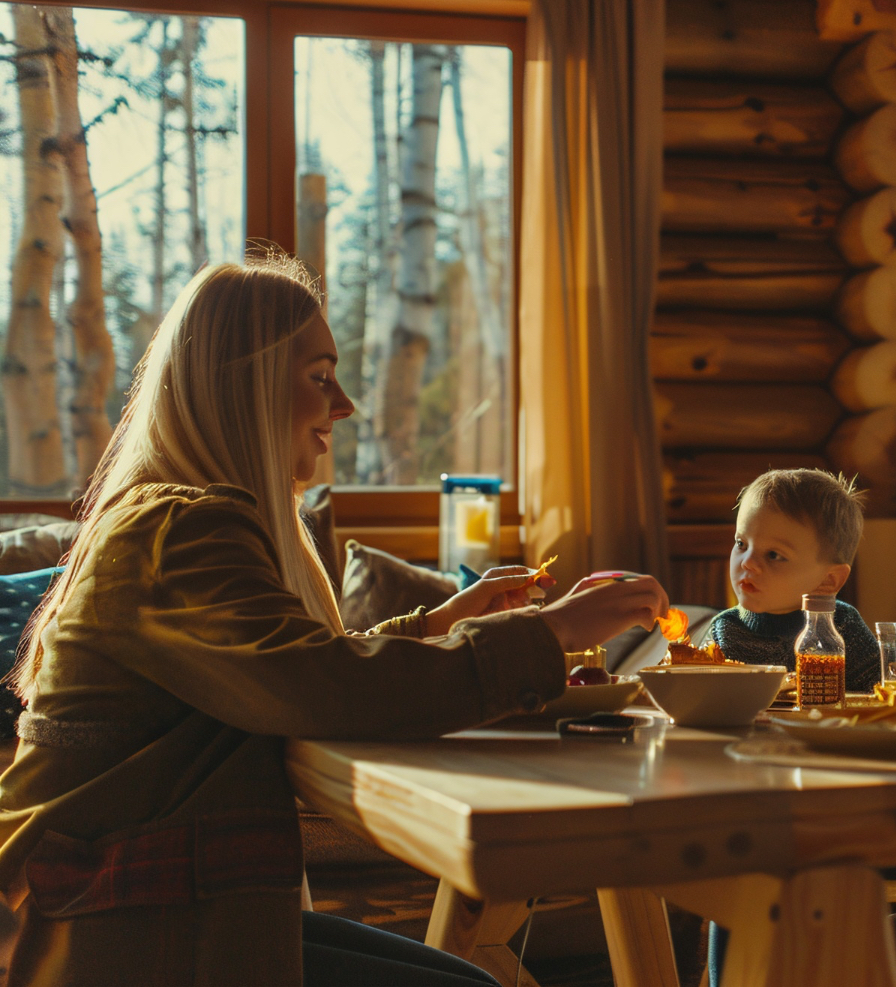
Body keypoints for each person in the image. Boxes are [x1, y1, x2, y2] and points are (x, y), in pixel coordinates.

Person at [0, 258, 670, 986]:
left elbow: (286, 664)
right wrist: (552, 633)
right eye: (320, 376)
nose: (344, 403)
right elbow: (317, 688)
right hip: (115, 931)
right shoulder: (182, 528)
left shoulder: (172, 516)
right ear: (246, 383)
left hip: (143, 904)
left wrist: (435, 622)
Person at [708, 468, 879, 692]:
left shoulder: (844, 627)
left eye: (773, 555)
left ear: (828, 580)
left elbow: (879, 697)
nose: (747, 562)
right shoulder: (724, 631)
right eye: (742, 544)